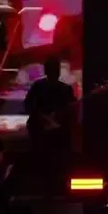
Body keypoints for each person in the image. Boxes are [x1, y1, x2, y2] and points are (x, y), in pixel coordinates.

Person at [24, 57, 77, 196]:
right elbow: (29, 105)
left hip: (52, 133)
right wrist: (44, 118)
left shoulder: (60, 88)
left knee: (50, 160)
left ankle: (50, 187)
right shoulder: (60, 89)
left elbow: (28, 105)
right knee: (50, 160)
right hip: (45, 132)